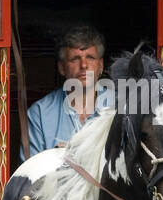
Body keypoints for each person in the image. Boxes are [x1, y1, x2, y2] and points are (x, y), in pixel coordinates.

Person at [24, 26, 109, 157]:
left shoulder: (121, 107)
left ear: (101, 66)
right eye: (75, 59)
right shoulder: (40, 114)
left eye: (90, 57)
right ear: (62, 67)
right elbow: (29, 173)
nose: (84, 65)